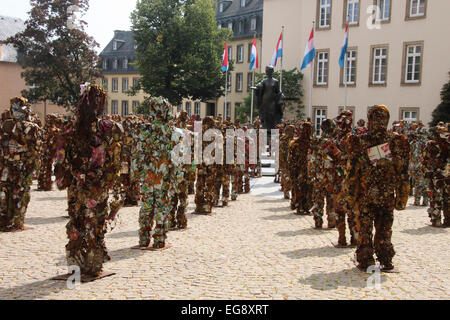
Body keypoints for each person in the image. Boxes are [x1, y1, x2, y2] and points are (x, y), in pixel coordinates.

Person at [54, 84, 123, 276]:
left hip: (82, 185)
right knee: (91, 224)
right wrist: (109, 180)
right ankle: (91, 266)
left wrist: (66, 175)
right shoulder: (107, 128)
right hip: (94, 186)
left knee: (79, 222)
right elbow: (115, 161)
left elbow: (60, 158)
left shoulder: (72, 129)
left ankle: (80, 266)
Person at [345, 105, 410, 272]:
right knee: (384, 227)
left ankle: (366, 259)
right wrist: (402, 197)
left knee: (365, 227)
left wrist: (350, 196)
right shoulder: (396, 142)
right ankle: (385, 257)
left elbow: (352, 172)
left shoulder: (360, 141)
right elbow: (402, 172)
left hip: (366, 195)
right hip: (386, 195)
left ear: (369, 120)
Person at [0, 97, 42, 231]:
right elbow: (36, 150)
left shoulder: (9, 126)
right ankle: (14, 221)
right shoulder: (8, 126)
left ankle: (11, 220)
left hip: (15, 166)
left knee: (14, 193)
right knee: (16, 194)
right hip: (17, 167)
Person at [423, 122, 449, 227]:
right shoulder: (447, 145)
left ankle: (436, 220)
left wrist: (425, 171)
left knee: (435, 198)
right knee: (447, 198)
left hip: (434, 174)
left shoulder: (430, 145)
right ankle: (447, 220)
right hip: (446, 175)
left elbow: (425, 159)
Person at [253, 66, 284, 133]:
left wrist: (280, 97)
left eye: (269, 71)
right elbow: (259, 86)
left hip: (272, 101)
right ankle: (266, 128)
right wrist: (258, 87)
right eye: (267, 71)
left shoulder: (275, 81)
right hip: (265, 100)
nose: (268, 72)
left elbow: (278, 91)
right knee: (265, 115)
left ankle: (272, 129)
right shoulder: (264, 81)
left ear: (272, 72)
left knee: (272, 114)